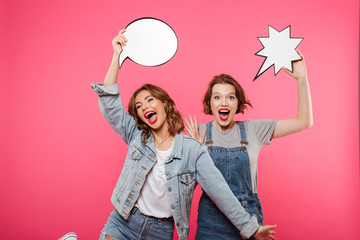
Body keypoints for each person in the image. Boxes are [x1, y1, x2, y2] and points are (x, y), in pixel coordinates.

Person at [91, 30, 277, 240]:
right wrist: (116, 56)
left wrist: (250, 228)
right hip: (123, 221)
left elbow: (220, 192)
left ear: (165, 103)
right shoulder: (136, 135)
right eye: (139, 106)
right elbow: (110, 104)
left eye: (150, 100)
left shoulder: (192, 150)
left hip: (160, 232)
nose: (144, 107)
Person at [185, 50, 312, 240]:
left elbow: (304, 122)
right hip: (210, 221)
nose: (223, 102)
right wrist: (195, 152)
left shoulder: (253, 130)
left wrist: (302, 79)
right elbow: (185, 187)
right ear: (209, 104)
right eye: (217, 97)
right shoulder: (199, 133)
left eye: (231, 97)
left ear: (238, 103)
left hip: (249, 220)